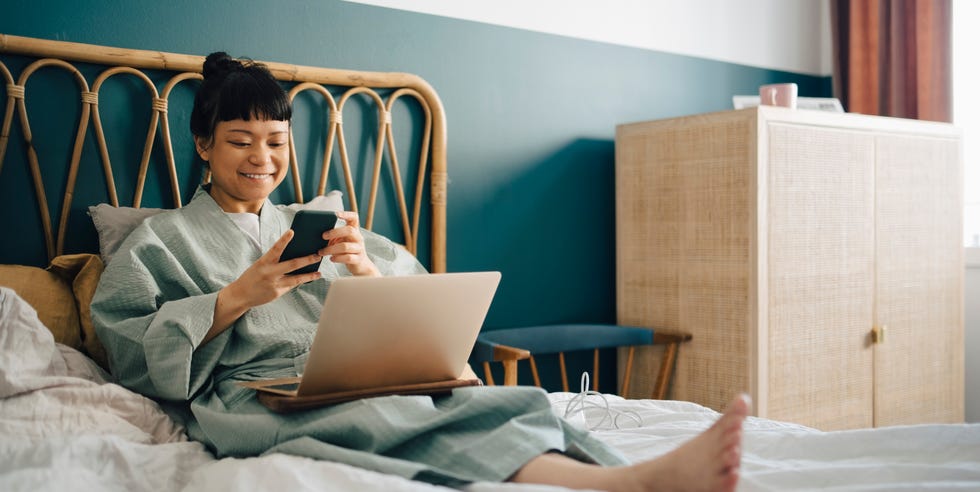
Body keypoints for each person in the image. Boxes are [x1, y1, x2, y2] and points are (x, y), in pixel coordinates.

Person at [91, 52, 749, 492]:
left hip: (349, 376)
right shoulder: (161, 241)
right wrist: (236, 296)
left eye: (276, 142)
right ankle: (629, 485)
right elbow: (129, 347)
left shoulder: (315, 221)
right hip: (254, 395)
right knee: (387, 423)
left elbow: (419, 315)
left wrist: (365, 271)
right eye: (241, 141)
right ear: (204, 145)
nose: (261, 158)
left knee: (499, 398)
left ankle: (626, 474)